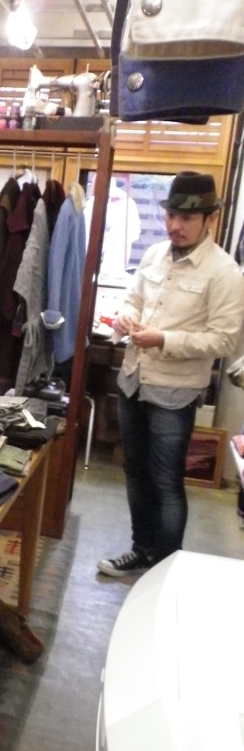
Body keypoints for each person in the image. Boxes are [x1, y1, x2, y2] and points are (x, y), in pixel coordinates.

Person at [97, 171, 244, 577]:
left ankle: (164, 571)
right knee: (135, 473)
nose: (175, 225)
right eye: (171, 215)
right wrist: (125, 317)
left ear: (210, 219)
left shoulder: (225, 273)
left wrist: (163, 339)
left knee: (165, 481)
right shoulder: (153, 254)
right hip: (133, 379)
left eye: (187, 218)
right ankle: (141, 549)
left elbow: (225, 341)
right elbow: (134, 298)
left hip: (174, 392)